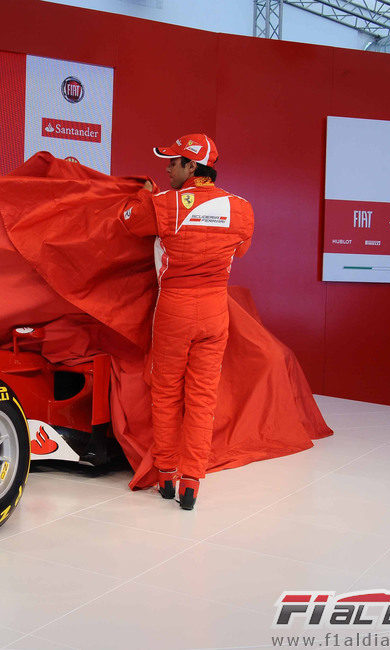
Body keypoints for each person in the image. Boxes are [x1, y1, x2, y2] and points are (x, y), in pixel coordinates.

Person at [120, 134, 254, 510]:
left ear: (191, 166)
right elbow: (240, 249)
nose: (166, 168)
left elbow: (129, 221)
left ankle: (165, 475)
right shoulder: (242, 208)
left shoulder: (163, 204)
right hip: (215, 311)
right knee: (202, 398)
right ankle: (191, 483)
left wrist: (144, 194)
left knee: (165, 393)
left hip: (174, 311)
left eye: (172, 162)